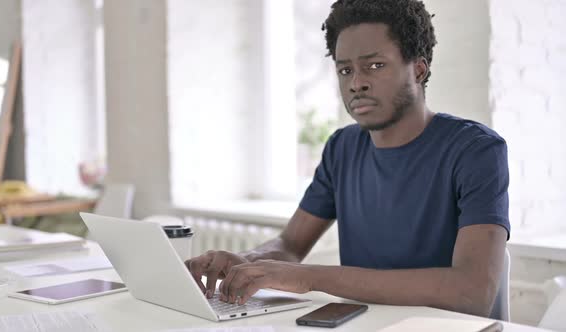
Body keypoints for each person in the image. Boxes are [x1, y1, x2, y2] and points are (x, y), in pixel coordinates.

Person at [185, 0, 510, 318]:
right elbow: (289, 244)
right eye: (345, 70)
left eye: (375, 65)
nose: (356, 83)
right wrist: (246, 263)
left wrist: (306, 277)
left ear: (419, 70)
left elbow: (472, 293)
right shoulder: (343, 147)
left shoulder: (476, 150)